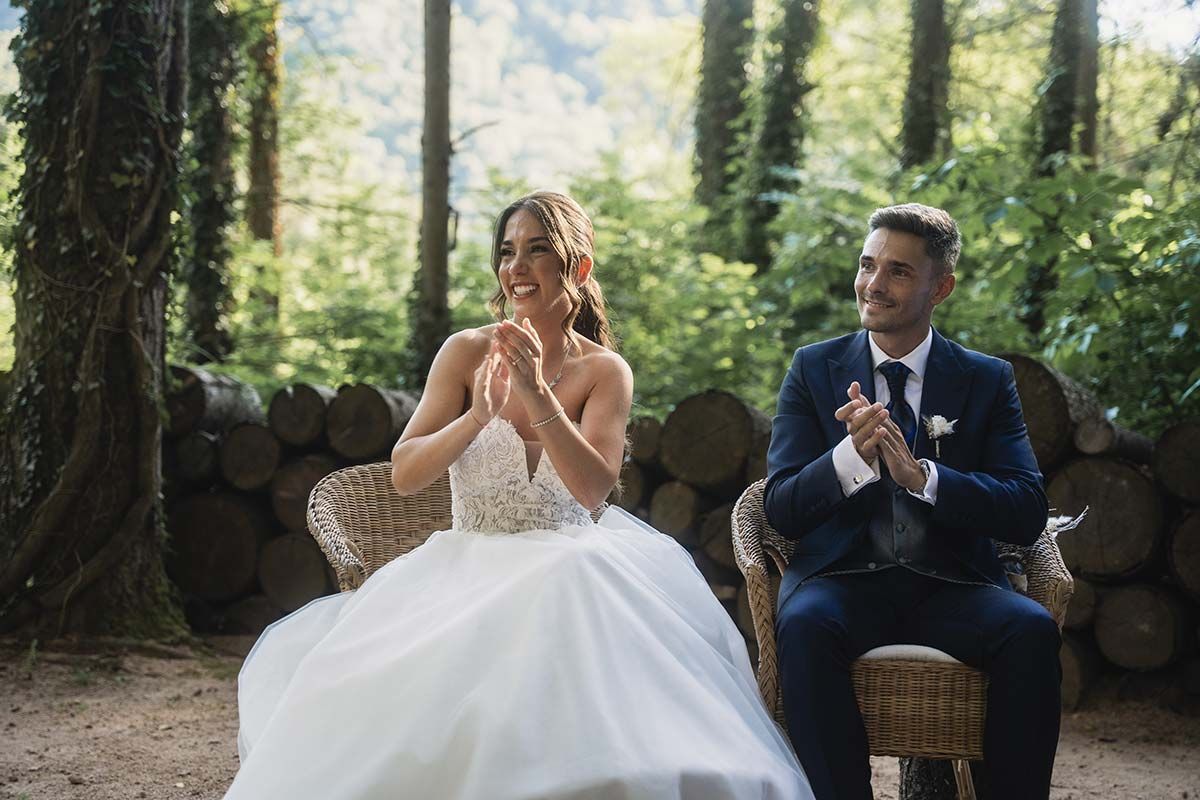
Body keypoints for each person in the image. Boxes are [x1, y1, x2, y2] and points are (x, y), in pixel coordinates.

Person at [227, 191, 811, 800]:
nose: (517, 268)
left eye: (537, 251)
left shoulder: (605, 372)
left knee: (572, 577)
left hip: (575, 564)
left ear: (576, 269)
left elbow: (590, 490)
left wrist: (537, 394)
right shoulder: (464, 351)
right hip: (468, 562)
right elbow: (404, 473)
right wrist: (475, 418)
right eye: (507, 253)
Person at [764, 203, 1061, 799]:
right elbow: (781, 507)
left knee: (1030, 629)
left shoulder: (986, 379)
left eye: (898, 271)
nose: (873, 284)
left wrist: (922, 476)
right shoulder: (813, 368)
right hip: (842, 582)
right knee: (803, 625)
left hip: (955, 587)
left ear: (940, 287)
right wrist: (853, 459)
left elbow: (1027, 508)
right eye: (868, 264)